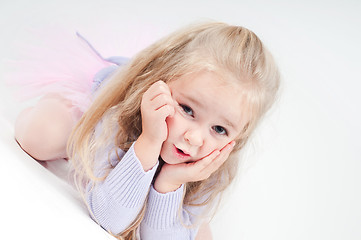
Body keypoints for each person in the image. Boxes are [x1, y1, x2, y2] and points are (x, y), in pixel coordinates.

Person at [13, 22, 280, 239]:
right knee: (42, 135)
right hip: (99, 117)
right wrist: (150, 140)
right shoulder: (119, 118)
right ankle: (60, 105)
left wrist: (170, 183)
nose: (195, 138)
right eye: (187, 109)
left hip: (157, 165)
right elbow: (109, 219)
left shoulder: (213, 163)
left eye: (219, 129)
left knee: (200, 236)